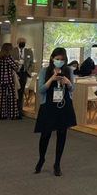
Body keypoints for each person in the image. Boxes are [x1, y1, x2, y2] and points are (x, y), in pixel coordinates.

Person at [34, 48, 77, 176]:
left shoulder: (68, 70)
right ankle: (41, 159)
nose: (60, 62)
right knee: (45, 134)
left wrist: (68, 82)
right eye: (57, 59)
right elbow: (41, 89)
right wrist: (52, 78)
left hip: (64, 105)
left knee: (62, 133)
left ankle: (57, 163)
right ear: (52, 58)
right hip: (48, 105)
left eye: (62, 59)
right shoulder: (44, 71)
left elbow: (72, 89)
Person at [0, 43, 20, 120]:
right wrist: (17, 63)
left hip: (1, 80)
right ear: (8, 49)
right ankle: (13, 115)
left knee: (2, 98)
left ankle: (2, 115)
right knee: (12, 98)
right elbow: (15, 67)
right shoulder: (8, 58)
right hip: (9, 80)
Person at [12, 37, 34, 118]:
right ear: (18, 42)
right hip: (15, 73)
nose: (22, 43)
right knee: (15, 91)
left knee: (21, 91)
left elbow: (31, 63)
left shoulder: (29, 51)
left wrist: (29, 71)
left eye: (24, 42)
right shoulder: (13, 51)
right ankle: (13, 109)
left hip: (24, 73)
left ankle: (19, 110)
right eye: (21, 42)